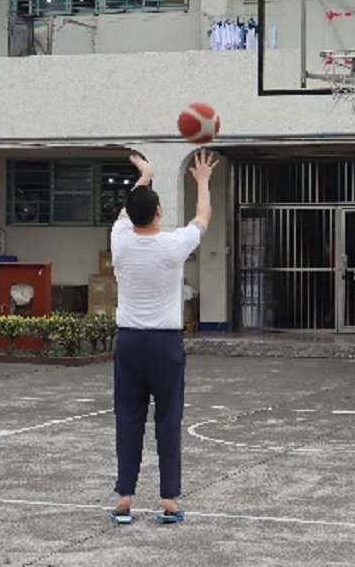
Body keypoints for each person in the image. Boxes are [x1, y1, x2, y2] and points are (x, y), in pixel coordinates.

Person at [110, 149, 218, 524]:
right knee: (168, 419)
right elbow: (203, 218)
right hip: (164, 344)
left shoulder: (120, 239)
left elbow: (126, 211)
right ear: (159, 213)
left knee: (128, 417)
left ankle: (125, 497)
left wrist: (146, 174)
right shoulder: (172, 245)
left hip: (129, 341)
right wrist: (202, 181)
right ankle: (169, 499)